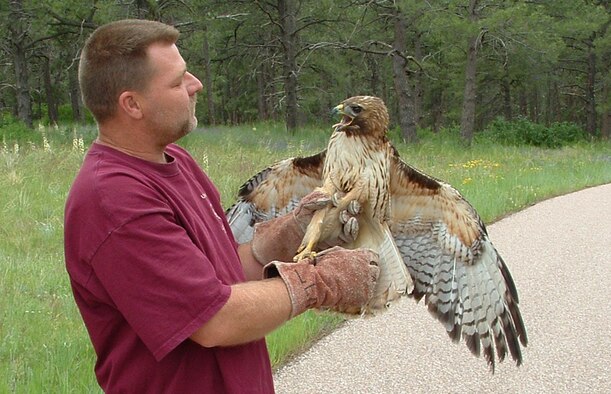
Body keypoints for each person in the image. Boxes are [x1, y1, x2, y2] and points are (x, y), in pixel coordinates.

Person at [64, 19, 379, 393]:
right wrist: (320, 282)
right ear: (132, 104)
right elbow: (214, 321)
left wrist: (291, 231)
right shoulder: (113, 198)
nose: (196, 84)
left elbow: (223, 273)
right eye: (178, 81)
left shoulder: (176, 162)